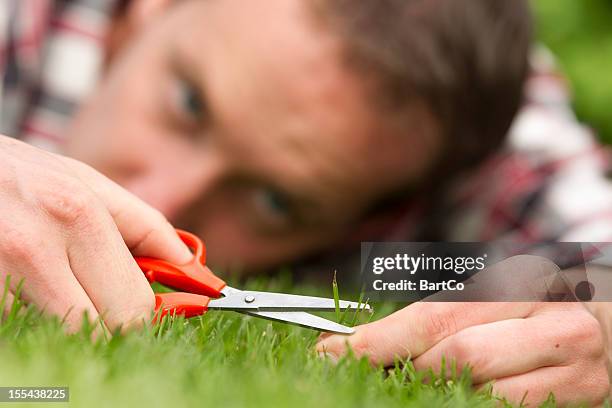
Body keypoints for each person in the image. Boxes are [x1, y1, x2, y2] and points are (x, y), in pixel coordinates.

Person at [1, 0, 610, 404]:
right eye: (189, 103)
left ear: (379, 213)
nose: (158, 197)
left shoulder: (464, 119)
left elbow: (599, 254)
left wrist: (597, 319)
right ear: (152, 9)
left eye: (274, 201)